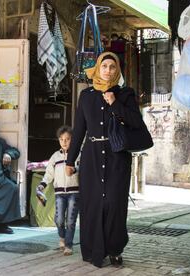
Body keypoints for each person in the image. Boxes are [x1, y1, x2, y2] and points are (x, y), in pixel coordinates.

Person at [66, 52, 144, 267]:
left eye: (112, 66)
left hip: (117, 156)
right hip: (91, 156)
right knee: (92, 203)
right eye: (104, 66)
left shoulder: (125, 94)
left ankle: (115, 249)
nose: (108, 70)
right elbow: (79, 129)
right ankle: (92, 249)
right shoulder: (87, 96)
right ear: (98, 68)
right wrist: (70, 161)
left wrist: (115, 103)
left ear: (117, 70)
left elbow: (136, 122)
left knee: (114, 203)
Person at [36, 125, 79, 256]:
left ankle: (68, 245)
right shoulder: (55, 157)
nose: (64, 142)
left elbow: (82, 167)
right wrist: (42, 185)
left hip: (74, 193)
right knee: (59, 219)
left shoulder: (78, 154)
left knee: (71, 220)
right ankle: (62, 237)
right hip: (59, 193)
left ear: (73, 140)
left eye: (67, 139)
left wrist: (74, 170)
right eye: (61, 139)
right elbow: (49, 174)